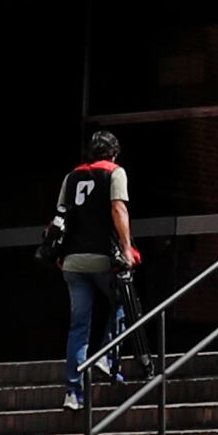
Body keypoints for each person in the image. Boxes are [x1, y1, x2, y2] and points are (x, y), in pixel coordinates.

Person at [55, 130, 138, 412]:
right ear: (114, 153)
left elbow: (60, 216)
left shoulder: (71, 177)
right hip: (102, 257)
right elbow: (118, 210)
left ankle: (72, 391)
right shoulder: (115, 173)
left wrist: (59, 253)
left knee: (78, 326)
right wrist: (126, 248)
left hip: (72, 261)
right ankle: (106, 355)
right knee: (123, 302)